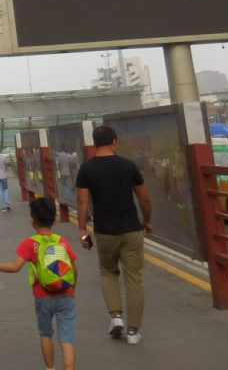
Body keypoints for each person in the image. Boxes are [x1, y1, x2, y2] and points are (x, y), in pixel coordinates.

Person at [75, 125, 152, 346]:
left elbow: (82, 201)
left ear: (95, 144)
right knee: (134, 279)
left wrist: (82, 229)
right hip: (131, 229)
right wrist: (147, 220)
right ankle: (133, 332)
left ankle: (116, 317)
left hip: (105, 231)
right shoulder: (128, 166)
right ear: (114, 142)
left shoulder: (87, 169)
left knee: (108, 273)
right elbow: (144, 198)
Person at [0, 197, 78, 370]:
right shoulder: (62, 241)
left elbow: (15, 267)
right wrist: (72, 289)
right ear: (55, 220)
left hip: (43, 297)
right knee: (67, 340)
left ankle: (50, 368)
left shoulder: (30, 244)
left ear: (31, 220)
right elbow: (74, 269)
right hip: (67, 296)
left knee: (45, 334)